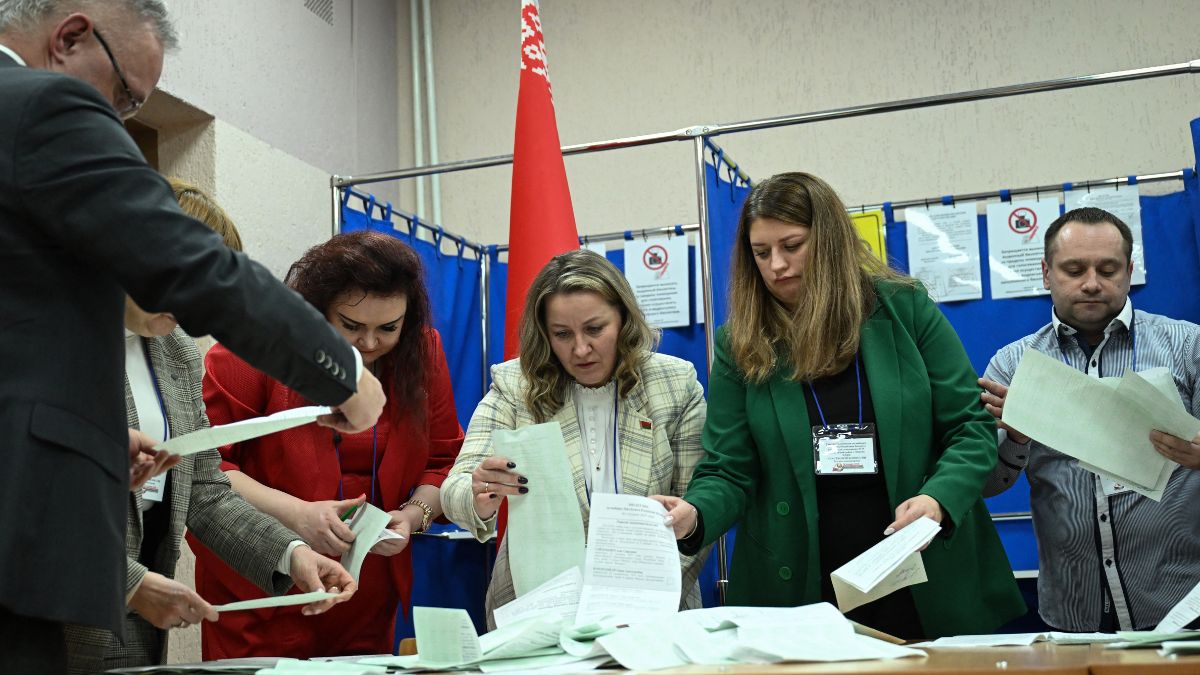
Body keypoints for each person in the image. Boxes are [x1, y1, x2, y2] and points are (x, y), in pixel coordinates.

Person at [0, 3, 384, 670]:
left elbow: (203, 490)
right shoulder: (40, 105)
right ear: (69, 38)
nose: (119, 124)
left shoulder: (168, 354)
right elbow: (198, 269)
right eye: (124, 98)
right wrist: (342, 371)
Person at [654, 172, 1024, 639]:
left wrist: (938, 499)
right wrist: (694, 516)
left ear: (828, 240)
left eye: (792, 245)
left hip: (917, 564)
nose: (776, 266)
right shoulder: (739, 344)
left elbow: (969, 428)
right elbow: (729, 468)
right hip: (799, 580)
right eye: (761, 252)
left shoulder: (905, 309)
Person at [62, 179, 357, 673]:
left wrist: (292, 554)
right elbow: (29, 487)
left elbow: (203, 486)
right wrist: (128, 581)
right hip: (55, 611)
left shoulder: (173, 350)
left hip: (137, 611)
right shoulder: (56, 336)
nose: (192, 308)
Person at [194, 230, 464, 658]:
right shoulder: (251, 354)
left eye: (388, 328)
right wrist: (298, 516)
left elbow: (444, 460)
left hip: (366, 589)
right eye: (351, 326)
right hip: (269, 579)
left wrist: (413, 516)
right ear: (316, 313)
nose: (370, 344)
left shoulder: (420, 353)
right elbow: (206, 473)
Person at [441, 250, 709, 629]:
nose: (580, 349)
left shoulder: (673, 384)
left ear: (624, 320)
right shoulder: (516, 385)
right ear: (544, 334)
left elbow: (697, 509)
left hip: (652, 612)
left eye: (595, 329)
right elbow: (453, 491)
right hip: (538, 608)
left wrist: (641, 598)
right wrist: (479, 494)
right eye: (562, 335)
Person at [979, 206, 1200, 632]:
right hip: (1073, 612)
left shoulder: (1187, 346)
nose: (1092, 283)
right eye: (1074, 269)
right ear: (1046, 273)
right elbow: (987, 486)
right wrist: (1019, 440)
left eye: (1108, 268)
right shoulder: (1011, 365)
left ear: (1129, 270)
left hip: (1183, 607)